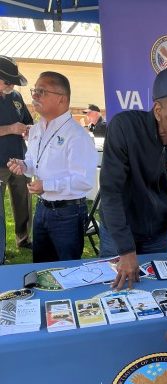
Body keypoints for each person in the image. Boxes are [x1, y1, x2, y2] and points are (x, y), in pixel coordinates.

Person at [99, 66, 167, 290]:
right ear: (158, 111)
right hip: (119, 231)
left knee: (154, 293)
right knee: (114, 293)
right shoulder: (125, 128)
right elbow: (111, 192)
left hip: (156, 235)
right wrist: (126, 249)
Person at [7, 71, 98, 263]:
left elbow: (84, 181)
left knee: (67, 269)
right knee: (41, 267)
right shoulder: (38, 128)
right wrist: (23, 166)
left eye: (42, 91)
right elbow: (34, 163)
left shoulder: (77, 136)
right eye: (35, 90)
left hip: (67, 214)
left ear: (61, 99)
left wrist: (47, 185)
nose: (34, 96)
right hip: (43, 209)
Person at [0, 56, 34, 250]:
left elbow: (27, 120)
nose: (11, 85)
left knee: (23, 202)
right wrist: (10, 128)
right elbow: (13, 126)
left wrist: (28, 129)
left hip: (20, 159)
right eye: (7, 81)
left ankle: (23, 239)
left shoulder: (16, 97)